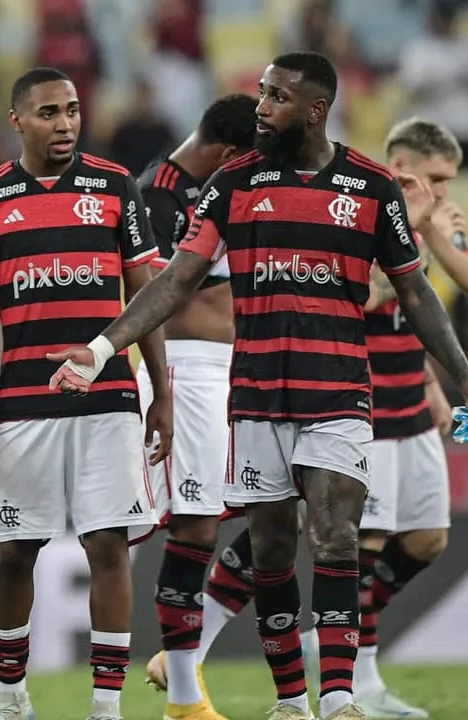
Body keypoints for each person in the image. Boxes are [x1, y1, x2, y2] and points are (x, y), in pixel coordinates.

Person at [46, 52, 468, 720]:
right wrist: (103, 348)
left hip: (342, 396)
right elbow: (176, 279)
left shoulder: (370, 187)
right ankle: (291, 702)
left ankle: (338, 698)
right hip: (256, 396)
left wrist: (464, 378)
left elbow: (416, 294)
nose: (262, 106)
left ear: (315, 110)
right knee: (272, 548)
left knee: (336, 537)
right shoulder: (234, 183)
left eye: (276, 96)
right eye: (263, 93)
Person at [167, 118, 467, 720]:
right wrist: (418, 229)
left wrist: (433, 235)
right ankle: (350, 682)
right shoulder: (362, 203)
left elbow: (428, 305)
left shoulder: (427, 217)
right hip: (352, 404)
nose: (442, 191)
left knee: (427, 539)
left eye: (448, 181)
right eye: (434, 179)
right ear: (403, 163)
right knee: (329, 538)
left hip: (412, 402)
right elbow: (364, 297)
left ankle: (313, 656)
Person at [0, 67, 170, 720]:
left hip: (108, 401)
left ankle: (105, 706)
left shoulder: (114, 187)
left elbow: (147, 291)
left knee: (107, 546)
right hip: (22, 401)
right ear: (17, 120)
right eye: (49, 112)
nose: (66, 122)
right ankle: (12, 694)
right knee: (16, 550)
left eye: (72, 109)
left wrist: (162, 389)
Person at [132, 94, 258, 720]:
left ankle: (183, 661)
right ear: (232, 153)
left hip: (231, 373)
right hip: (186, 373)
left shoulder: (203, 192)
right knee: (196, 526)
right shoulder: (155, 199)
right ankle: (184, 697)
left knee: (275, 510)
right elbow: (156, 298)